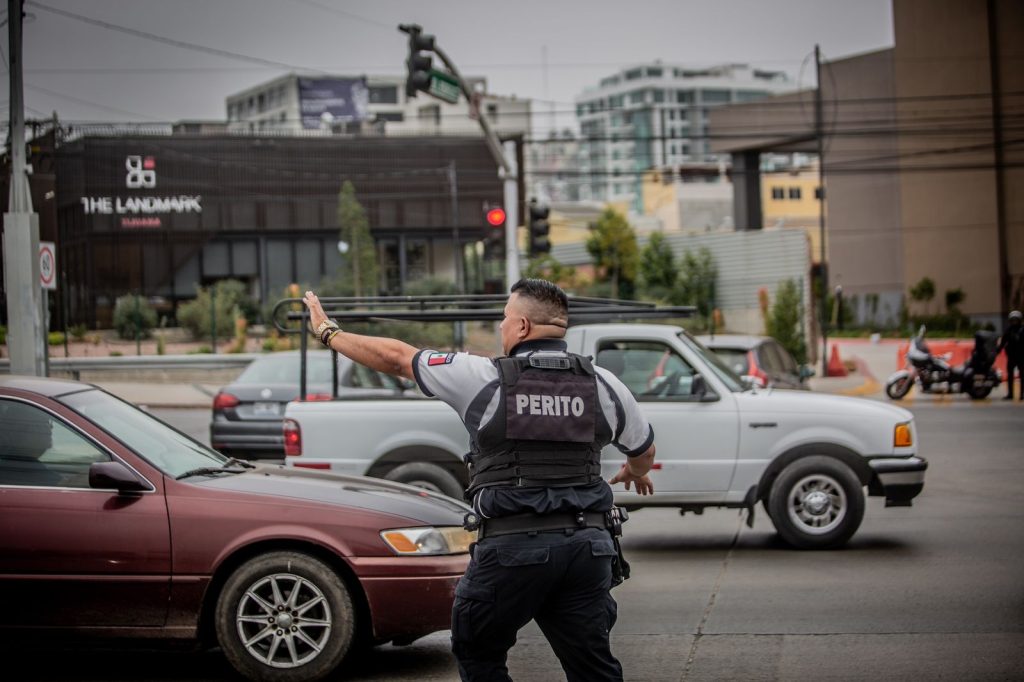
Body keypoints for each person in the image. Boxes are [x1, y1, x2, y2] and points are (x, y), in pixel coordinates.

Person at [303, 278, 655, 682]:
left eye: (504, 318)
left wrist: (329, 332)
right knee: (593, 667)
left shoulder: (482, 377)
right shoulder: (604, 384)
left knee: (479, 651)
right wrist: (634, 473)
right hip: (586, 550)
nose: (501, 327)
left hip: (512, 551)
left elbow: (399, 358)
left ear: (521, 326)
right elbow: (643, 450)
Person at [998, 310, 1023, 400]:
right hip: (1011, 356)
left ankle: (1022, 394)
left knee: (1022, 375)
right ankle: (1010, 394)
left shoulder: (1022, 330)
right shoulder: (1009, 330)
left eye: (1016, 320)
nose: (1014, 322)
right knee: (1010, 375)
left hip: (1021, 356)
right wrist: (998, 351)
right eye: (1013, 320)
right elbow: (1003, 342)